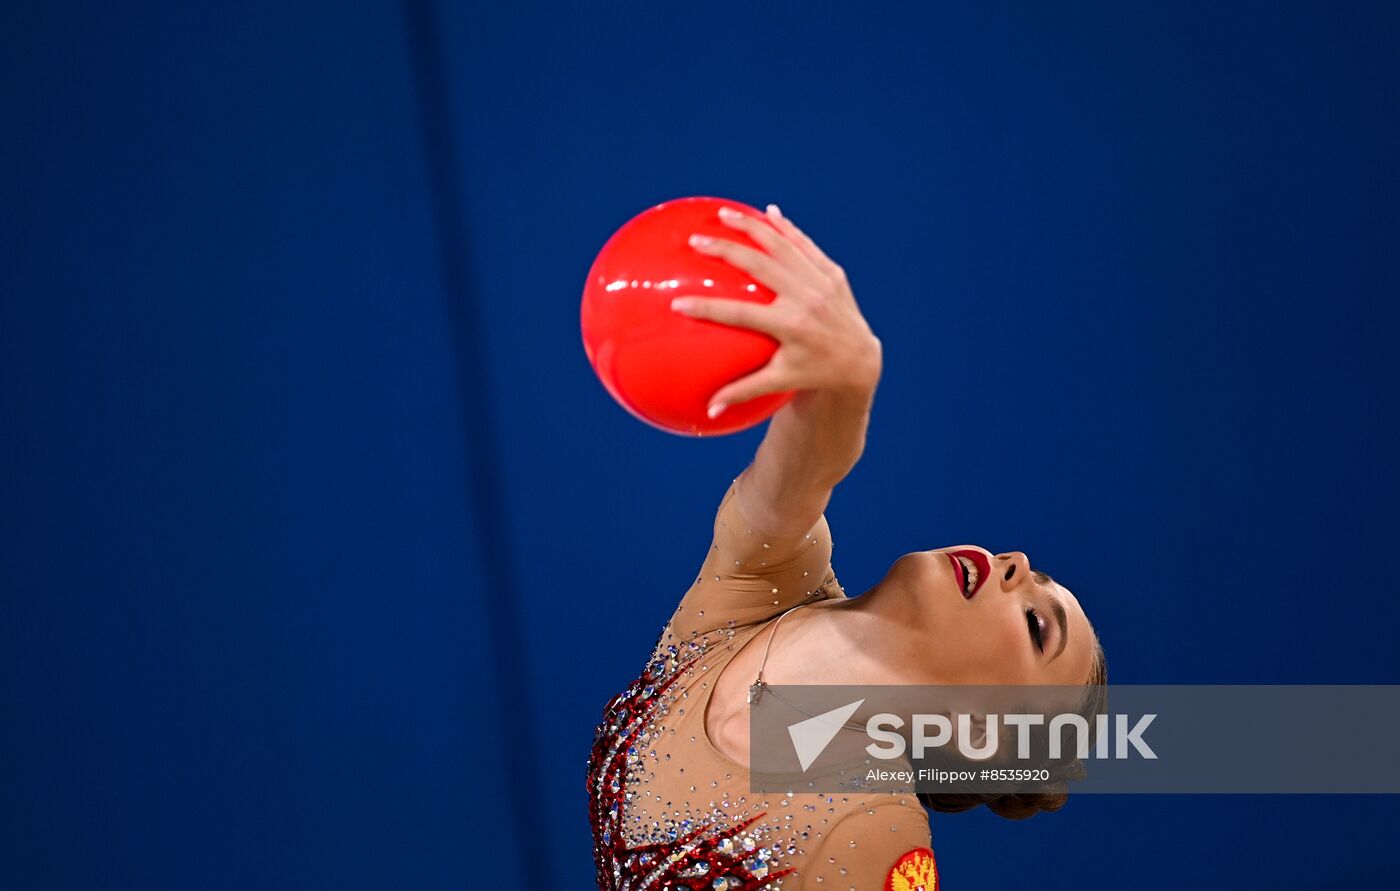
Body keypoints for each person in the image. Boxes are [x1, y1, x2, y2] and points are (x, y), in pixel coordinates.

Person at [587, 204, 1107, 889]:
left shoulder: (872, 834)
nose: (1015, 565)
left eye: (1039, 625)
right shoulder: (770, 583)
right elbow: (801, 471)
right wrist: (846, 376)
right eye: (1033, 570)